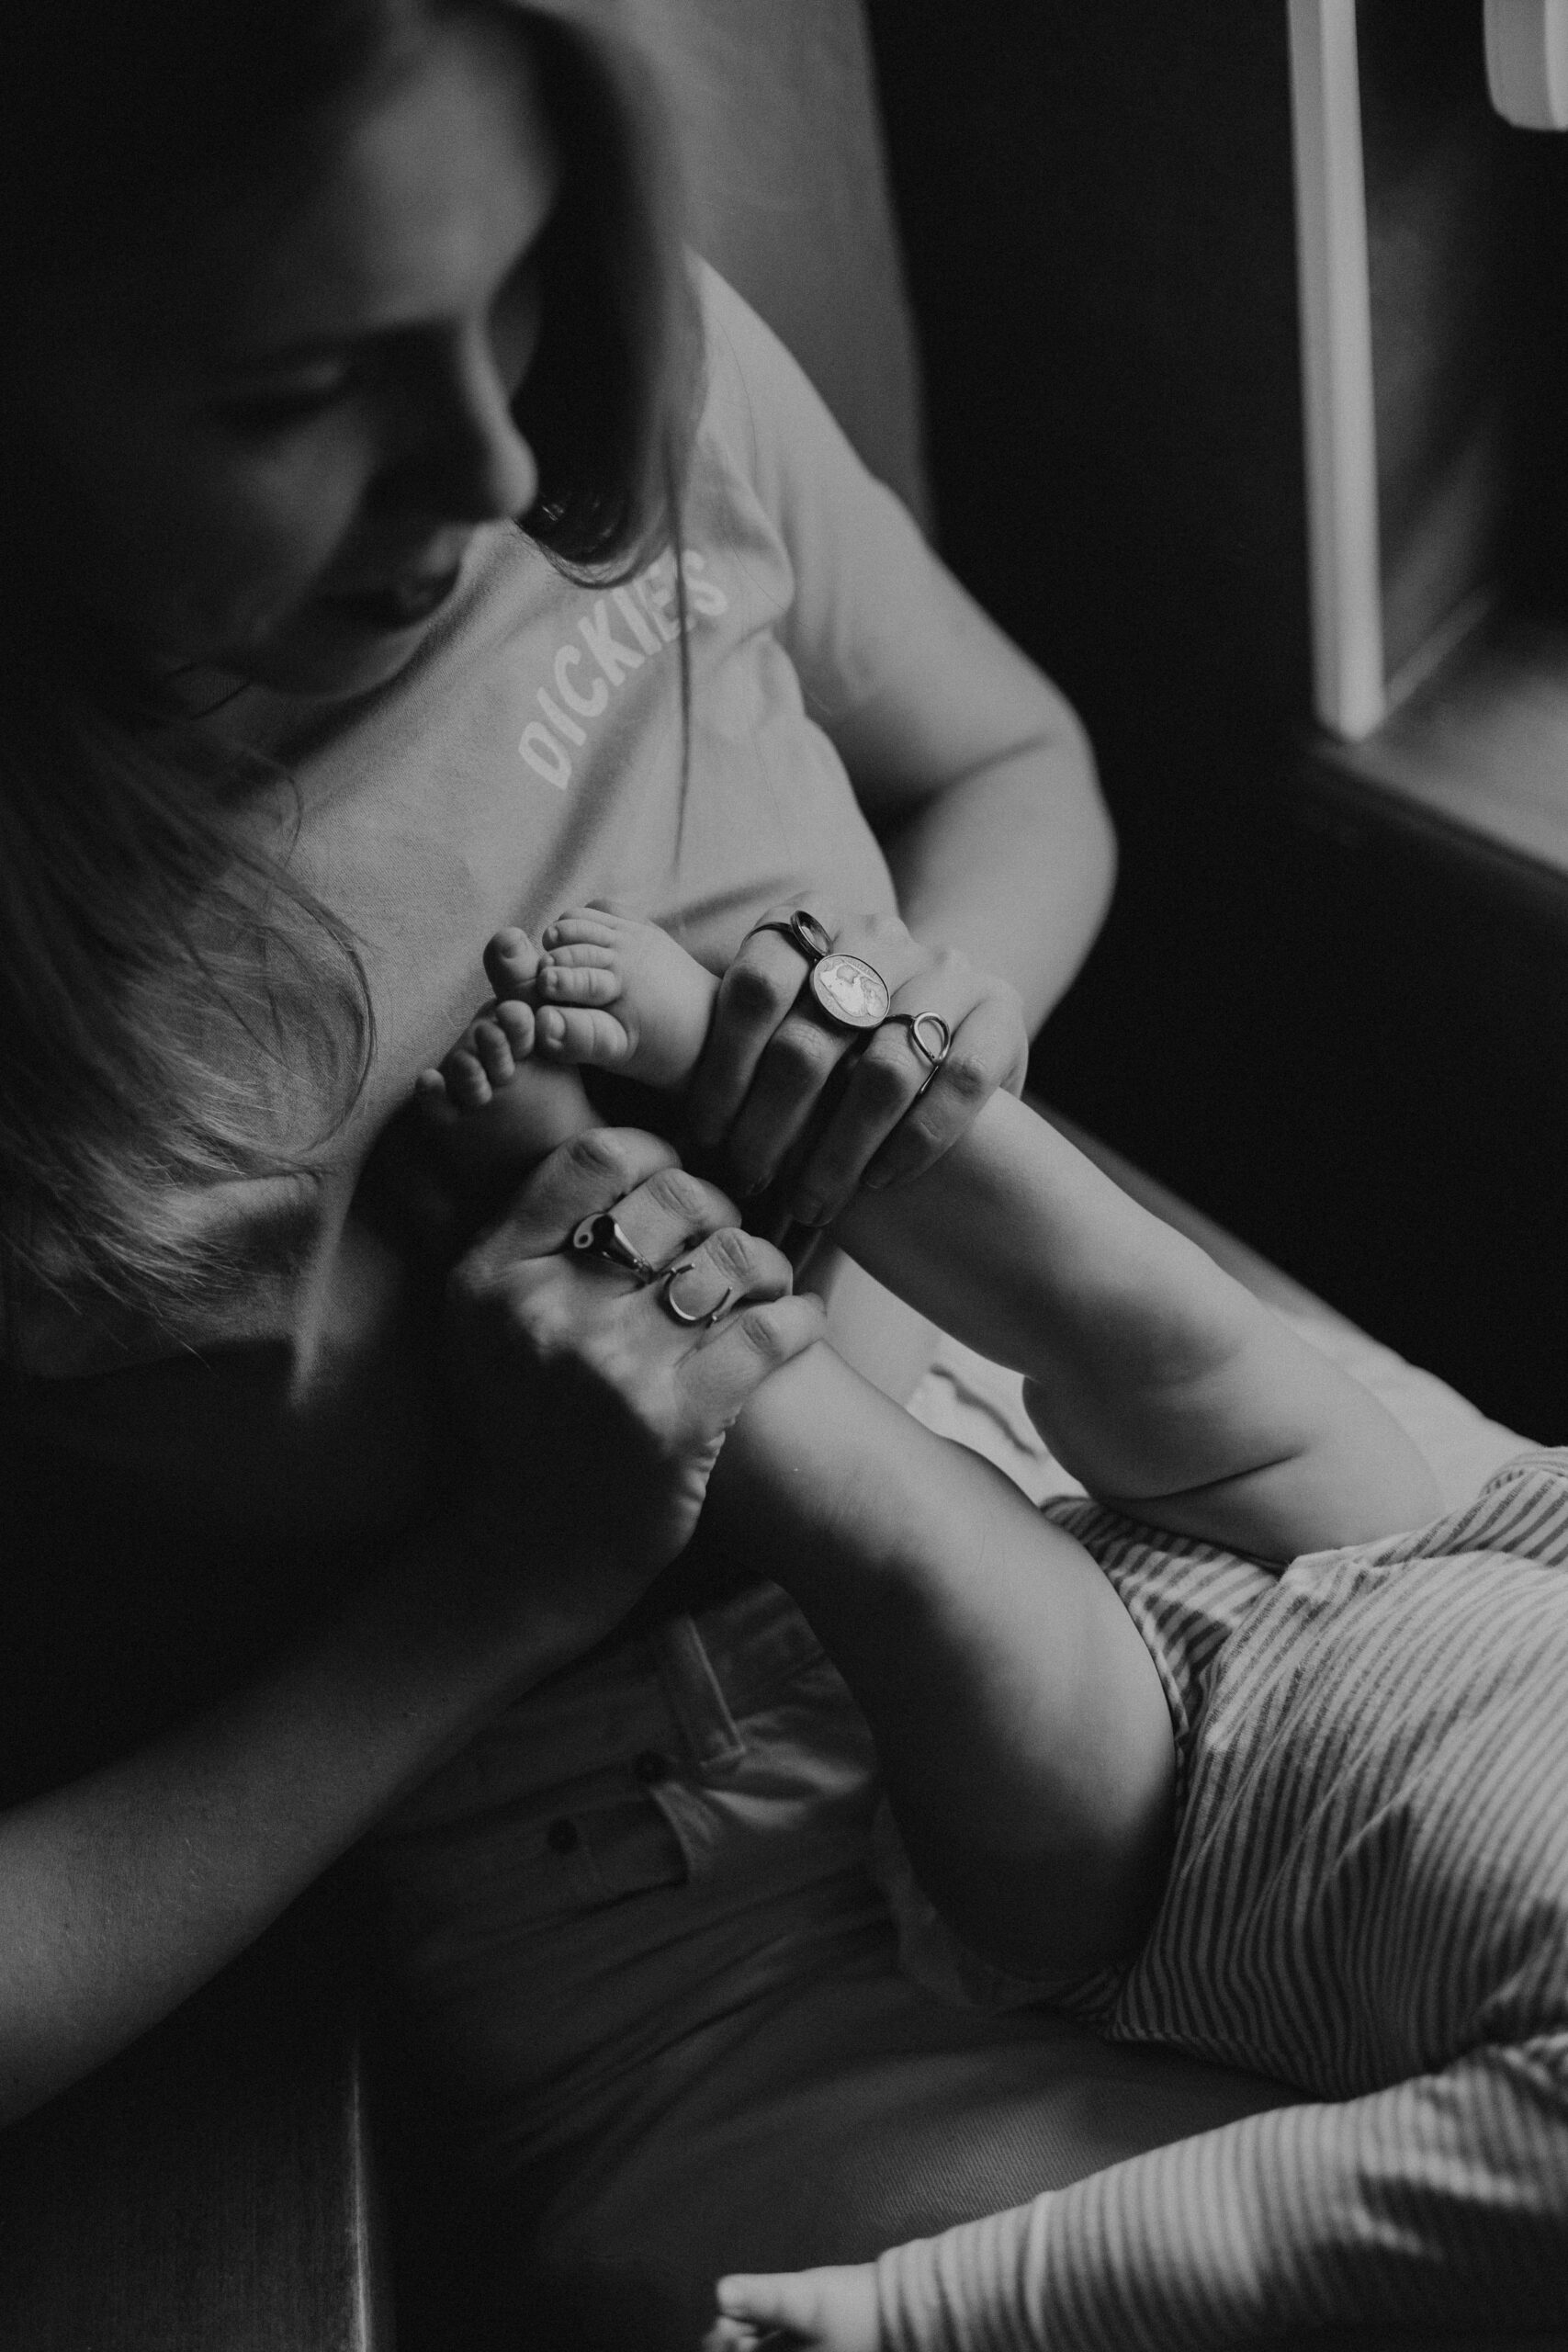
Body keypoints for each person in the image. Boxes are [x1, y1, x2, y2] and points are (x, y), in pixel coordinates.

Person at [0, 0, 1201, 2342]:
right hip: (667, 1895)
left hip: (1101, 1454)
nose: (491, 467)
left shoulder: (624, 400)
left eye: (520, 274)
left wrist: (928, 1056)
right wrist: (503, 1576)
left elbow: (1014, 763)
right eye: (287, 394)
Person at [422, 905, 1568, 2351]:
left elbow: (1275, 2230)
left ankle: (569, 1190)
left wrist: (915, 2313)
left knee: (890, 1520)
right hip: (1390, 1542)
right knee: (1144, 1309)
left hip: (1163, 1825)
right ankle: (726, 1039)